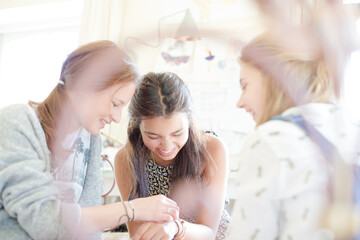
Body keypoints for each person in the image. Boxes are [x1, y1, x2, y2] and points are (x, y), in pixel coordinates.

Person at [0, 41, 179, 240]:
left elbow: (89, 231)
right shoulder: (17, 122)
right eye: (115, 104)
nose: (117, 118)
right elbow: (44, 222)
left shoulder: (91, 141)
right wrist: (132, 209)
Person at [227, 32, 360, 239]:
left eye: (245, 85)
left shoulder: (269, 139)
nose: (240, 102)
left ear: (274, 77)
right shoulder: (352, 126)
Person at [115, 72, 230, 240]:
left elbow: (209, 232)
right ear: (138, 126)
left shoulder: (212, 149)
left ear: (189, 121)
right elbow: (138, 233)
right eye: (153, 136)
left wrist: (176, 227)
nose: (167, 146)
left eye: (177, 133)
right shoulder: (126, 159)